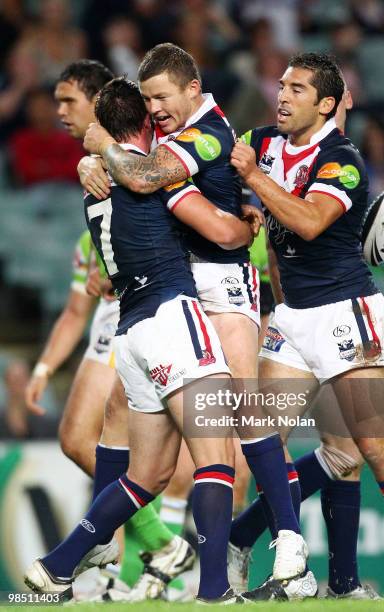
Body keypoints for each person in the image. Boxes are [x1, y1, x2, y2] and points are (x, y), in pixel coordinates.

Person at [79, 43, 309, 594]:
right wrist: (92, 159)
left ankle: (291, 546)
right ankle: (106, 543)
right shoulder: (171, 130)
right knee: (120, 406)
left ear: (191, 89)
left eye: (163, 97)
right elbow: (135, 165)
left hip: (224, 286)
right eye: (149, 99)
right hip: (178, 286)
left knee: (244, 415)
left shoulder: (207, 132)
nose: (155, 108)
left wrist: (101, 148)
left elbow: (144, 175)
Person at [24, 76, 254, 604]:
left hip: (130, 335)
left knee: (145, 474)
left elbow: (101, 275)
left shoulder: (95, 186)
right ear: (148, 123)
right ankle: (215, 590)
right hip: (172, 317)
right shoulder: (146, 175)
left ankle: (55, 567)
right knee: (215, 457)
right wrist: (246, 224)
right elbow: (220, 232)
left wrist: (94, 154)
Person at [230, 52, 384, 600]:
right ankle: (267, 556)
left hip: (347, 314)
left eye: (298, 89)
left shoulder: (343, 159)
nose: (283, 94)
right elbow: (204, 158)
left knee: (373, 446)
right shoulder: (262, 141)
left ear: (325, 105)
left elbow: (312, 221)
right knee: (259, 434)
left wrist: (251, 179)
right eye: (281, 84)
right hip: (292, 317)